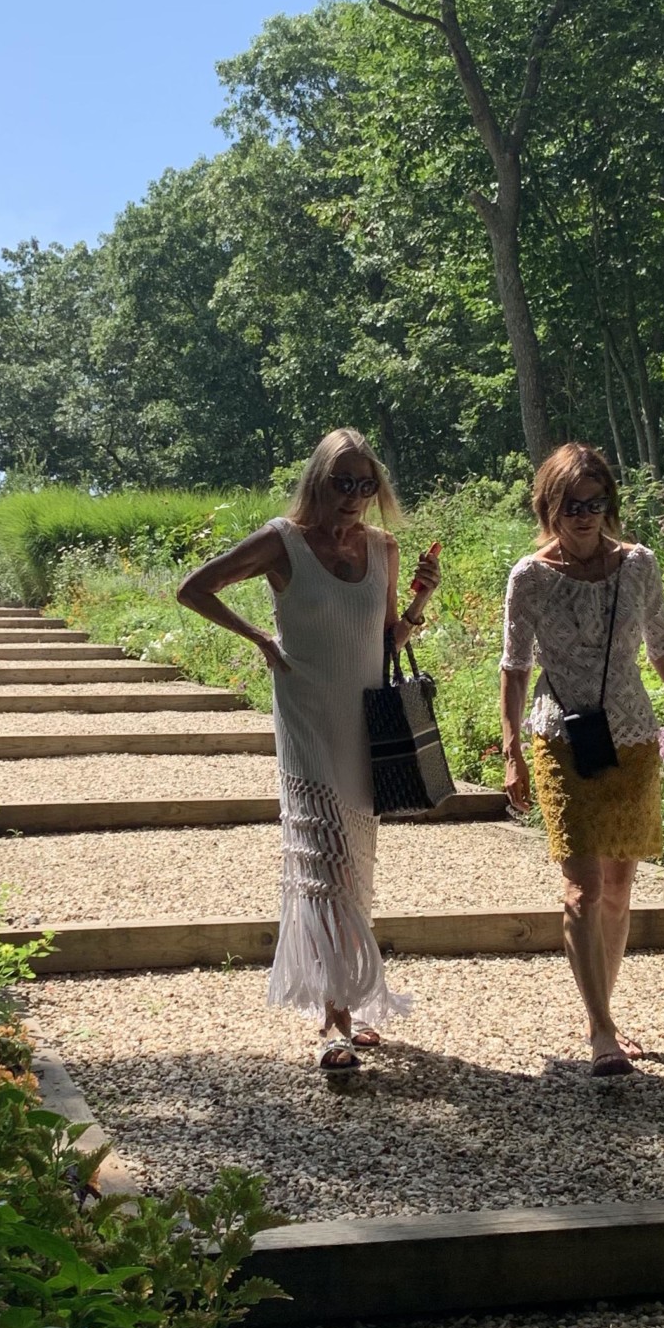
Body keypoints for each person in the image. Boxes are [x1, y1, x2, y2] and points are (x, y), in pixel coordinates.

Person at [177, 430, 440, 1082]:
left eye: (364, 484)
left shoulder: (382, 547)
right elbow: (194, 588)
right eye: (341, 483)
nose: (353, 498)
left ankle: (348, 993)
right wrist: (261, 640)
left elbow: (385, 642)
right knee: (323, 868)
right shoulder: (283, 541)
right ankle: (333, 1024)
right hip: (307, 724)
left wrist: (419, 601)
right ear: (317, 482)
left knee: (355, 869)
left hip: (365, 727)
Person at [500, 444, 664, 1076]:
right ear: (550, 506)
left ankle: (606, 1007)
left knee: (620, 889)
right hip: (560, 737)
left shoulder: (639, 566)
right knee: (583, 887)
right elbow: (515, 667)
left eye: (596, 503)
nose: (585, 516)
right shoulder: (530, 576)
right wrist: (513, 748)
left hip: (630, 735)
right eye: (572, 505)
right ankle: (600, 1031)